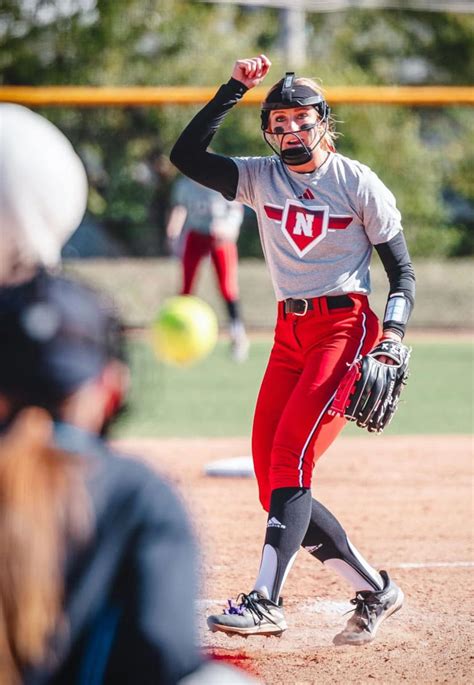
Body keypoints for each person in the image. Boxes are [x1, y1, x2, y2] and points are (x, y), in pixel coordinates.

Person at [170, 54, 416, 646]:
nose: (289, 132)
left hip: (343, 328)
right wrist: (234, 88)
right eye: (277, 122)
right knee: (271, 479)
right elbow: (186, 157)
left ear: (323, 122)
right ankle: (375, 589)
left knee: (290, 462)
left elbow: (402, 273)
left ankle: (266, 601)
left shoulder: (357, 182)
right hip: (288, 334)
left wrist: (392, 335)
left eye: (300, 120)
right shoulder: (259, 176)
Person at [166, 174, 249, 361]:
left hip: (220, 237)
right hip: (196, 235)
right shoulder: (185, 185)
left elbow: (236, 209)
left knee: (227, 288)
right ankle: (178, 335)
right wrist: (173, 230)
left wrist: (229, 229)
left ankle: (238, 335)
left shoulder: (218, 180)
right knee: (186, 288)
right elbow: (180, 208)